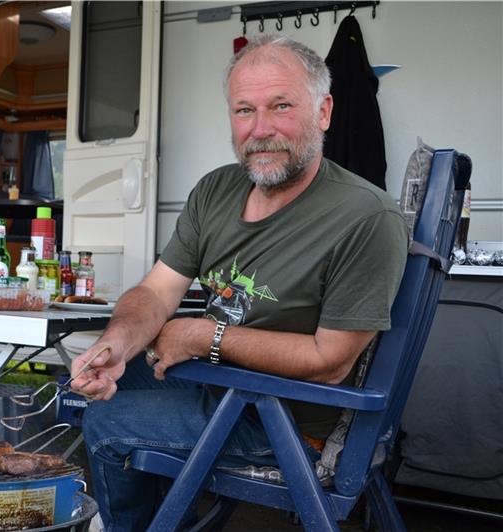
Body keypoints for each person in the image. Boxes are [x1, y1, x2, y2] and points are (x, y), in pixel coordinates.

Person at [70, 35, 410, 531]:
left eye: (281, 106)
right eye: (244, 110)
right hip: (221, 386)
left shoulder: (366, 216)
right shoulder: (216, 189)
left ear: (324, 111)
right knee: (94, 387)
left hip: (284, 424)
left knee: (107, 422)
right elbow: (157, 291)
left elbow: (330, 363)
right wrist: (113, 346)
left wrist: (203, 335)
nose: (260, 129)